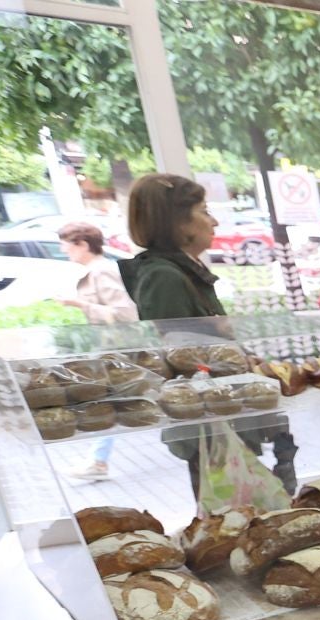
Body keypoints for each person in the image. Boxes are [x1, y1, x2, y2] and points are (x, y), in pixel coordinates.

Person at [120, 172, 296, 496]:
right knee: (231, 507)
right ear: (179, 223)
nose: (213, 221)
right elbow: (180, 357)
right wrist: (227, 350)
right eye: (204, 211)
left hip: (222, 413)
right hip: (209, 419)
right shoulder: (165, 277)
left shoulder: (182, 270)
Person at [56, 220, 137, 482]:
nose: (63, 250)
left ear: (82, 244)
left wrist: (80, 305)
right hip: (110, 351)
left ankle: (98, 461)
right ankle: (98, 460)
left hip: (116, 351)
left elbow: (126, 314)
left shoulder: (101, 272)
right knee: (106, 403)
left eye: (66, 245)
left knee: (104, 402)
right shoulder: (97, 270)